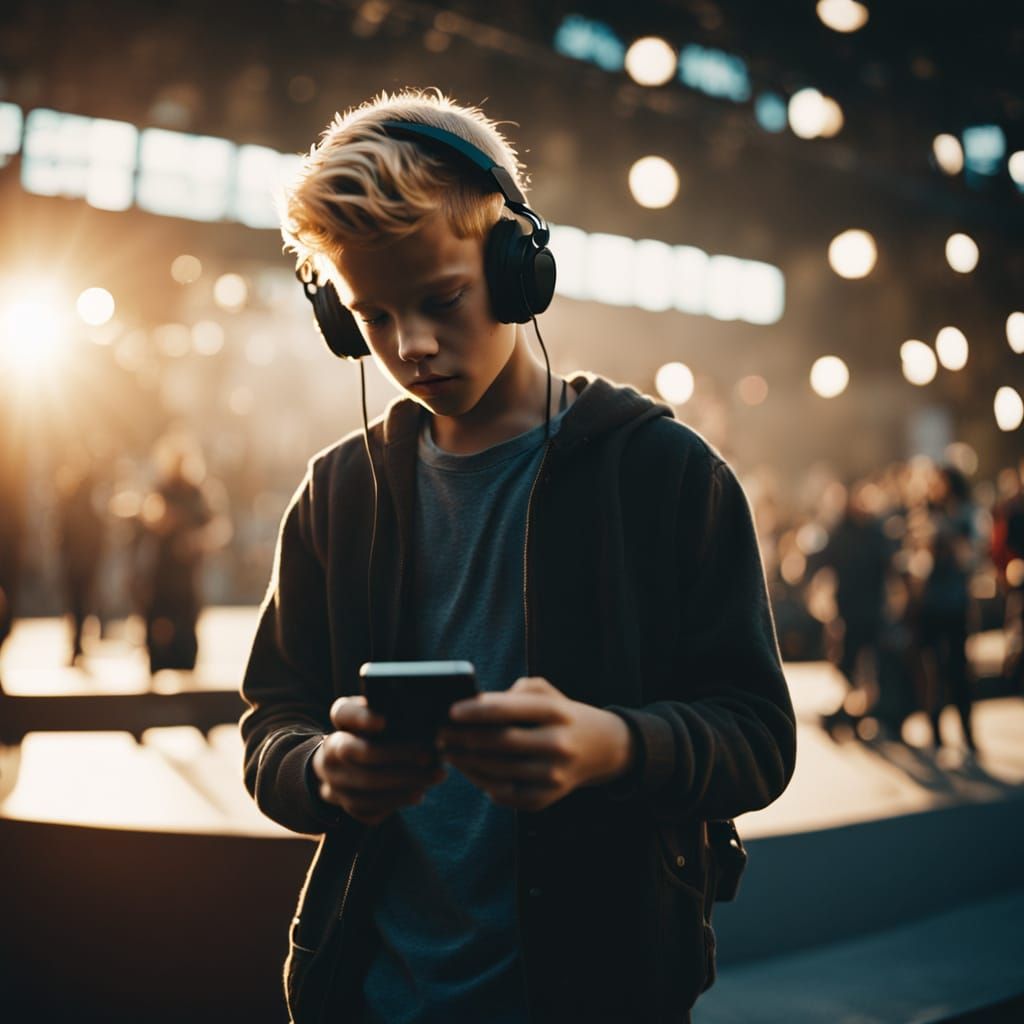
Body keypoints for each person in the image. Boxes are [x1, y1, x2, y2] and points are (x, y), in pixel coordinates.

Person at [240, 90, 796, 1024]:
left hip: (599, 991)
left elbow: (759, 736)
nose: (410, 347)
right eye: (370, 317)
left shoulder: (666, 476)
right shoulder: (336, 496)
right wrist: (323, 768)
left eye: (441, 298)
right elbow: (270, 727)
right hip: (368, 996)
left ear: (516, 264)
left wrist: (614, 745)